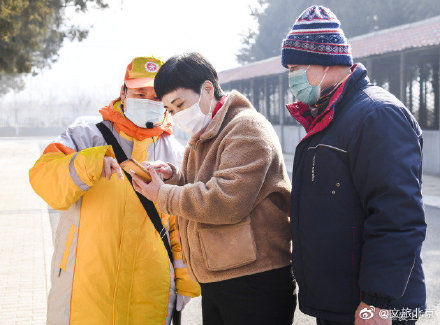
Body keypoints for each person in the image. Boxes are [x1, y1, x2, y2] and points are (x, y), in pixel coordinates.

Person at [280, 5, 426, 325]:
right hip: (341, 303)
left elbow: (397, 216)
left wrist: (377, 302)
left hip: (371, 308)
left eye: (297, 67)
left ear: (329, 61)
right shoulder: (330, 119)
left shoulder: (376, 115)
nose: (292, 78)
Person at [29, 56, 200, 324]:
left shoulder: (176, 153)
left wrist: (186, 284)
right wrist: (88, 163)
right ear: (123, 92)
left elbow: (184, 226)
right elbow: (43, 178)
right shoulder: (85, 136)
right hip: (85, 287)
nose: (147, 100)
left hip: (151, 290)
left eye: (155, 96)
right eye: (139, 92)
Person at [129, 52, 296, 325]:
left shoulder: (246, 128)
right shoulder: (206, 133)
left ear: (208, 89)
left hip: (254, 280)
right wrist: (174, 177)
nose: (178, 116)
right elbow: (203, 185)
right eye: (171, 111)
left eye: (180, 104)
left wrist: (163, 195)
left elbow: (226, 200)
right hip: (222, 275)